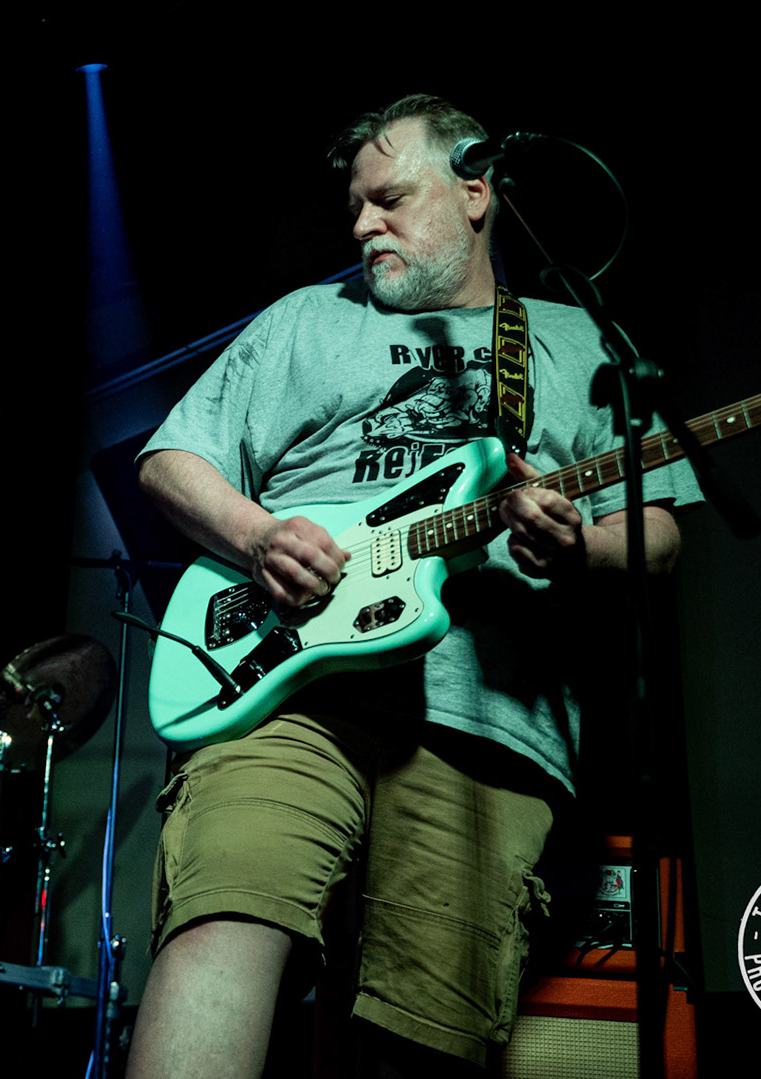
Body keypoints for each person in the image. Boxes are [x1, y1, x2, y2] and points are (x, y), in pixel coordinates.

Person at [125, 95, 699, 1076]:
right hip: (286, 689)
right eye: (355, 206)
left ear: (476, 192)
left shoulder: (577, 340)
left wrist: (580, 549)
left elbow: (659, 533)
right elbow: (171, 460)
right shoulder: (307, 320)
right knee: (229, 910)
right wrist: (259, 536)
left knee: (427, 1029)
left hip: (488, 719)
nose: (361, 226)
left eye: (388, 200)